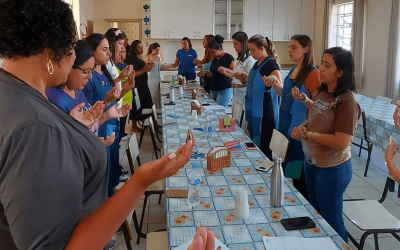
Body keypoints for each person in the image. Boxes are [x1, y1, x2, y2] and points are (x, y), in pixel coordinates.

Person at [0, 1, 194, 250]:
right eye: (72, 47)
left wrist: (79, 129)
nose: (73, 55)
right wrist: (141, 179)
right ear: (50, 50)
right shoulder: (35, 126)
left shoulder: (14, 91)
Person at [291, 47, 360, 242]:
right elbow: (315, 114)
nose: (320, 68)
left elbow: (341, 141)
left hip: (332, 169)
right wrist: (301, 127)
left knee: (331, 221)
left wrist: (309, 134)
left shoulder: (347, 100)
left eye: (327, 65)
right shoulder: (323, 91)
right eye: (321, 63)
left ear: (340, 72)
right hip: (312, 163)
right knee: (317, 216)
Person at [46, 40, 132, 146]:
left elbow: (89, 125)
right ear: (70, 66)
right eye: (86, 71)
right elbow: (63, 145)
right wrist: (91, 147)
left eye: (91, 71)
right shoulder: (54, 99)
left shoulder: (77, 91)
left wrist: (107, 115)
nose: (90, 76)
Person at [83, 33, 129, 195]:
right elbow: (88, 112)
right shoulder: (88, 78)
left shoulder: (105, 74)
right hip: (100, 129)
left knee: (112, 168)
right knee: (104, 172)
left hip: (111, 124)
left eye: (109, 49)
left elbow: (113, 98)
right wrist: (108, 103)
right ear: (91, 52)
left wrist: (125, 88)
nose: (109, 53)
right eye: (105, 50)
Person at [277, 35, 321, 200]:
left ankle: (306, 214)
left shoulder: (313, 74)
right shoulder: (293, 70)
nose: (289, 50)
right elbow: (284, 94)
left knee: (301, 178)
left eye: (294, 47)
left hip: (300, 131)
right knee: (292, 173)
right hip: (285, 126)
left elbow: (318, 109)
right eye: (289, 47)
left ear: (306, 49)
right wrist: (274, 84)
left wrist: (303, 99)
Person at [241, 35, 282, 159]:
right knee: (253, 143)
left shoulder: (270, 64)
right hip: (252, 109)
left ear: (262, 48)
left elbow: (281, 89)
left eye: (253, 50)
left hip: (265, 112)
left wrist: (274, 81)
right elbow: (255, 82)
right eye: (250, 50)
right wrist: (243, 77)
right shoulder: (257, 63)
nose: (251, 53)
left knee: (263, 148)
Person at [220, 31, 255, 127]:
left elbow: (250, 80)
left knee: (242, 122)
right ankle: (234, 139)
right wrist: (226, 73)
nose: (234, 46)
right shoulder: (240, 59)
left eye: (237, 44)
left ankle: (242, 140)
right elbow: (236, 77)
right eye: (233, 44)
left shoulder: (250, 60)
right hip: (235, 92)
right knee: (234, 120)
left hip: (243, 93)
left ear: (244, 44)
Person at [126, 40, 154, 132]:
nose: (142, 49)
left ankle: (147, 122)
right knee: (136, 104)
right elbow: (134, 74)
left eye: (142, 47)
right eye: (139, 47)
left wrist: (149, 67)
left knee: (146, 102)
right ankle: (134, 125)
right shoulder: (133, 60)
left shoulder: (141, 58)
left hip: (143, 84)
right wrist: (145, 69)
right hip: (138, 85)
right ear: (134, 50)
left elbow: (146, 70)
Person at [206, 35, 235, 107]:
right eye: (210, 52)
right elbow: (214, 74)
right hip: (213, 89)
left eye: (213, 52)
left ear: (219, 49)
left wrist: (225, 70)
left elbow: (235, 74)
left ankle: (227, 119)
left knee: (220, 112)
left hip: (224, 90)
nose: (211, 54)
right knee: (212, 112)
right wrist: (205, 74)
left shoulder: (229, 58)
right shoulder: (215, 58)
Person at [146, 42, 174, 108]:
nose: (158, 52)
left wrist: (169, 66)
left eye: (158, 50)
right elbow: (147, 69)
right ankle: (153, 111)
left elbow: (160, 68)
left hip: (158, 78)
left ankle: (158, 110)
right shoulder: (149, 57)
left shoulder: (158, 57)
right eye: (156, 50)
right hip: (151, 79)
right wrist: (151, 66)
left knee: (158, 95)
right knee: (152, 95)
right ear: (152, 49)